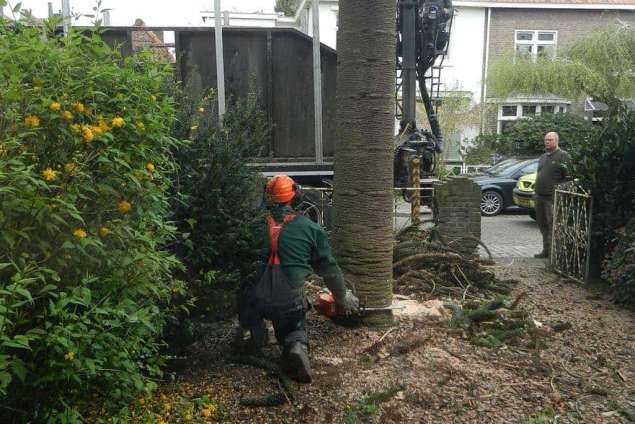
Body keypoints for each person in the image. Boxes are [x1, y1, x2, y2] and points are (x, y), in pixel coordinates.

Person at [238, 175, 359, 383]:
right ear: (295, 196)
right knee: (294, 327)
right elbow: (329, 268)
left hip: (255, 299)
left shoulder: (252, 225)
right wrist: (342, 297)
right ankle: (295, 345)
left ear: (267, 197)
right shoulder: (310, 228)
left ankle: (254, 332)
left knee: (245, 293)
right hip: (289, 301)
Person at [533, 131, 571, 258]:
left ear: (556, 141)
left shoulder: (563, 156)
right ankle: (546, 250)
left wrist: (559, 190)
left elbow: (568, 178)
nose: (547, 142)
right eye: (546, 140)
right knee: (542, 224)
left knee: (553, 225)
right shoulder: (543, 156)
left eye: (550, 140)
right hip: (539, 195)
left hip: (552, 197)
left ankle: (556, 253)